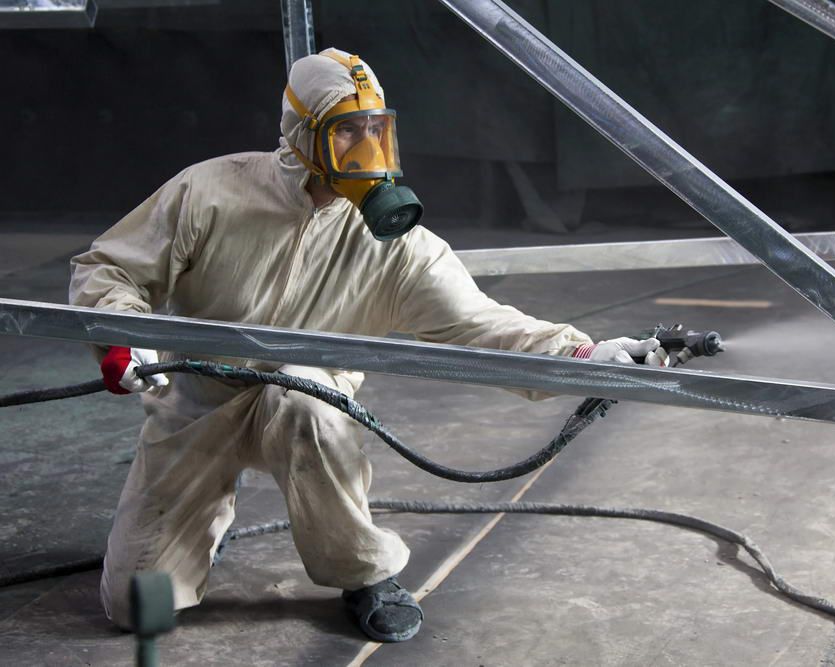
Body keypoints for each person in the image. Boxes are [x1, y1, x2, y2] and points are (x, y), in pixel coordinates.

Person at [69, 47, 663, 643]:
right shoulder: (210, 192)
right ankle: (197, 525)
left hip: (309, 396)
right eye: (347, 131)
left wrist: (586, 357)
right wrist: (123, 338)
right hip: (199, 397)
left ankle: (363, 573)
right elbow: (110, 269)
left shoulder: (395, 246)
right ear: (302, 133)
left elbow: (482, 325)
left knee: (306, 404)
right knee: (135, 606)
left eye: (376, 129)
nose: (367, 148)